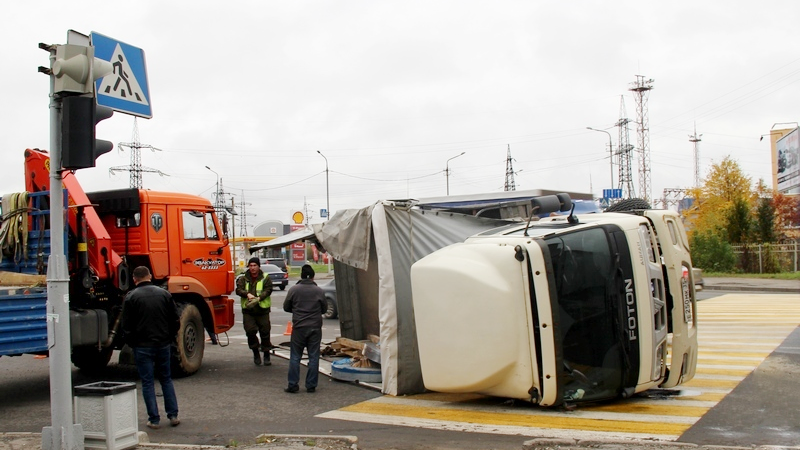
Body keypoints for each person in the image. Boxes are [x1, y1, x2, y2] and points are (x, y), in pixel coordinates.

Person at [121, 266, 181, 429]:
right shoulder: (164, 294)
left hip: (142, 346)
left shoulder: (131, 297)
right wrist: (168, 337)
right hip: (163, 343)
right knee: (166, 379)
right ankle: (173, 415)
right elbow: (175, 320)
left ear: (134, 279)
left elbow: (126, 326)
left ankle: (154, 419)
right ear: (151, 276)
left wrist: (133, 342)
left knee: (147, 382)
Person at [283, 264, 326, 393]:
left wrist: (297, 310)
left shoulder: (294, 290)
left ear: (301, 276)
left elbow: (286, 307)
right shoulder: (319, 291)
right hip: (315, 328)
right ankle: (311, 385)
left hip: (299, 328)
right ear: (313, 277)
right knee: (313, 356)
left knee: (295, 356)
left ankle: (293, 384)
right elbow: (324, 309)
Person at [236, 256, 274, 366]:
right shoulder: (243, 278)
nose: (252, 268)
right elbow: (238, 290)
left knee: (265, 332)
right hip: (248, 310)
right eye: (251, 266)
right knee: (250, 331)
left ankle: (266, 353)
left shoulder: (265, 277)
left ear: (258, 266)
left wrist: (259, 298)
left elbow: (269, 289)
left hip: (262, 309)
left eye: (255, 265)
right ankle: (255, 352)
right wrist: (246, 294)